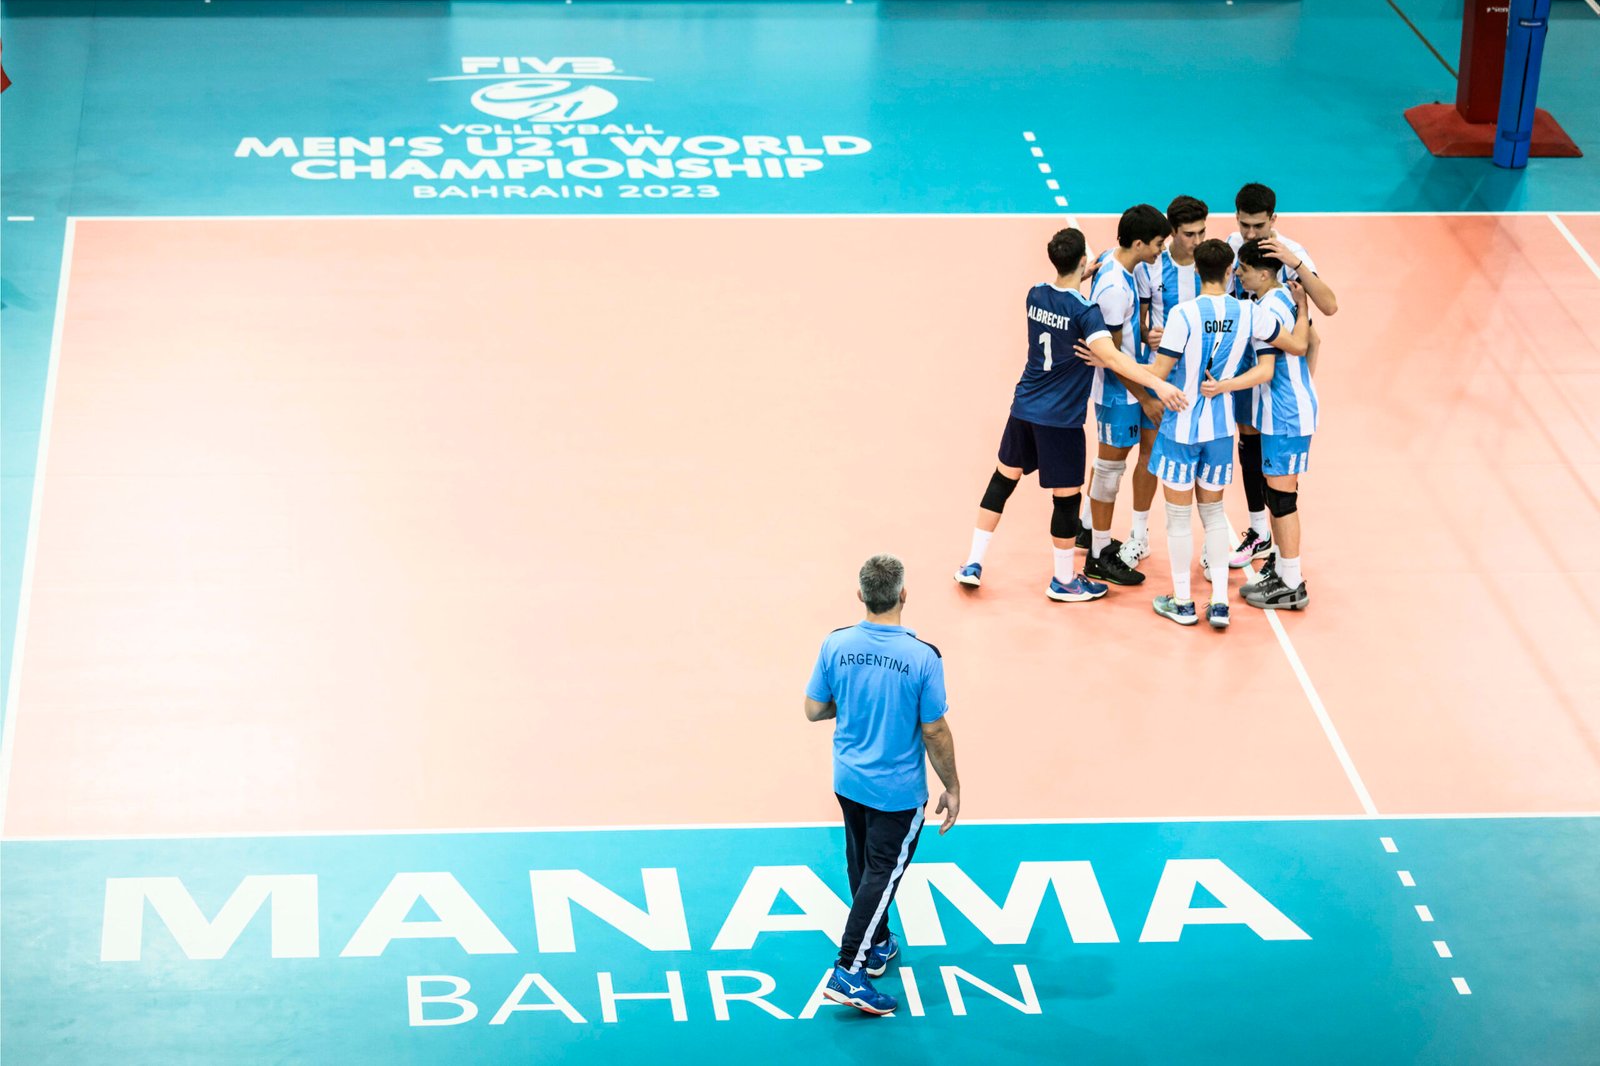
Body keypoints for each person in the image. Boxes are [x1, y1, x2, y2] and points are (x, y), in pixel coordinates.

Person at [954, 228, 1188, 602]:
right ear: (1083, 261)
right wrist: (1158, 387)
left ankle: (972, 563)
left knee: (1002, 481)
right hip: (1060, 421)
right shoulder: (1086, 313)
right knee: (1066, 500)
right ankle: (1064, 581)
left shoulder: (1034, 294)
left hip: (1023, 408)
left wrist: (1079, 274)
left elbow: (1060, 295)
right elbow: (1113, 357)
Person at [1092, 239, 1306, 628]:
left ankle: (1183, 601)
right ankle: (1221, 602)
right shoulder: (1248, 311)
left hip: (1180, 427)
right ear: (1228, 273)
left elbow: (1156, 375)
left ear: (1198, 270)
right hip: (1221, 431)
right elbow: (1297, 344)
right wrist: (1303, 308)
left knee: (1177, 517)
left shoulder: (1182, 314)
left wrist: (1109, 357)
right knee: (1213, 513)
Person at [805, 555, 960, 1016]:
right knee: (881, 873)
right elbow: (934, 731)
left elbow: (815, 709)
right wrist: (952, 786)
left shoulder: (835, 645)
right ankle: (848, 971)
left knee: (862, 864)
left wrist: (851, 703)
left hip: (848, 781)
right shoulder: (922, 657)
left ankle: (876, 943)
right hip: (896, 792)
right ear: (903, 595)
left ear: (861, 596)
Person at [1226, 182, 1338, 570]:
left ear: (1274, 219)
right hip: (1247, 366)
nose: (1252, 235)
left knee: (1281, 473)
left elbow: (1329, 306)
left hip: (1279, 379)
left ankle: (1284, 553)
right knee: (1250, 447)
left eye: (1259, 226)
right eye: (1245, 226)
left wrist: (1296, 263)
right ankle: (1259, 532)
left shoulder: (1293, 256)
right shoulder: (1234, 248)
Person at [1079, 204, 1173, 587]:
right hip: (1119, 394)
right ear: (1137, 243)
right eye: (1157, 244)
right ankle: (1098, 557)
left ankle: (1089, 530)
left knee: (1120, 466)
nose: (1160, 251)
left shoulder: (1114, 262)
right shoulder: (1116, 288)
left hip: (1133, 386)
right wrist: (1148, 397)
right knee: (1108, 473)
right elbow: (1113, 358)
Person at [1227, 239, 1319, 609]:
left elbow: (1300, 347)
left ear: (1263, 273)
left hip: (1286, 414)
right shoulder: (1279, 299)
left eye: (1243, 269)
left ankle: (1292, 583)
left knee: (1282, 499)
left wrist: (1222, 387)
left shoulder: (1269, 308)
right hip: (1282, 411)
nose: (1237, 273)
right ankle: (1282, 570)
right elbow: (1309, 342)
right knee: (1275, 494)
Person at [1121, 195, 1208, 566]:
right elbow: (1139, 325)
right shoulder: (1150, 269)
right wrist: (1148, 335)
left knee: (1205, 464)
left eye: (1202, 232)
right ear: (1172, 233)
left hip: (1203, 383)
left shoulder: (1215, 264)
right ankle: (1139, 535)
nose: (1198, 241)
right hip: (1161, 379)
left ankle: (1209, 546)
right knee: (1149, 455)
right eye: (1190, 234)